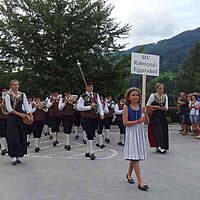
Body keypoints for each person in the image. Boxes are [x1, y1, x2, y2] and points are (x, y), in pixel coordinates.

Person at [123, 87, 149, 191]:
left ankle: (129, 175)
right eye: (133, 95)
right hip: (131, 132)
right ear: (129, 96)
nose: (135, 97)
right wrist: (138, 121)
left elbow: (147, 122)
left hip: (140, 132)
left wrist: (145, 113)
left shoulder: (141, 107)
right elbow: (125, 123)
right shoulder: (126, 107)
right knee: (135, 157)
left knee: (135, 155)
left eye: (137, 95)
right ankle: (140, 181)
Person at [5, 79, 33, 165]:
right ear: (11, 86)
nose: (16, 86)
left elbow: (26, 106)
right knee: (13, 137)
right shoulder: (8, 96)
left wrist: (30, 114)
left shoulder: (22, 95)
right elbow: (9, 109)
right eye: (14, 84)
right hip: (12, 118)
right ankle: (13, 156)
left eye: (17, 84)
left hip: (21, 119)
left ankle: (17, 155)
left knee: (20, 136)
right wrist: (20, 114)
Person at [77, 82, 104, 160]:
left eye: (92, 86)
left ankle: (87, 151)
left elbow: (99, 105)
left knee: (92, 133)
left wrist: (101, 113)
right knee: (90, 134)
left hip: (95, 117)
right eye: (89, 86)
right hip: (86, 117)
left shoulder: (96, 95)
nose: (91, 88)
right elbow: (79, 107)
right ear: (86, 87)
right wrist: (89, 107)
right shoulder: (83, 96)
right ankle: (91, 152)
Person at [146, 83, 169, 154]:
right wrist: (156, 107)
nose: (161, 90)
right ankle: (159, 146)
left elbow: (166, 107)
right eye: (160, 88)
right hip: (155, 115)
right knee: (157, 130)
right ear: (156, 89)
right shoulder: (153, 96)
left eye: (162, 88)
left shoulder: (165, 96)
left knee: (163, 130)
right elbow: (147, 105)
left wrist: (161, 108)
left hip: (162, 115)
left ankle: (162, 145)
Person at [0, 89, 8, 155]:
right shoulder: (0, 99)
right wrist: (2, 100)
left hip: (8, 117)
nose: (5, 93)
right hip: (1, 117)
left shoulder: (9, 98)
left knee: (8, 132)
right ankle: (3, 148)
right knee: (2, 132)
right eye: (4, 92)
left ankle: (6, 148)